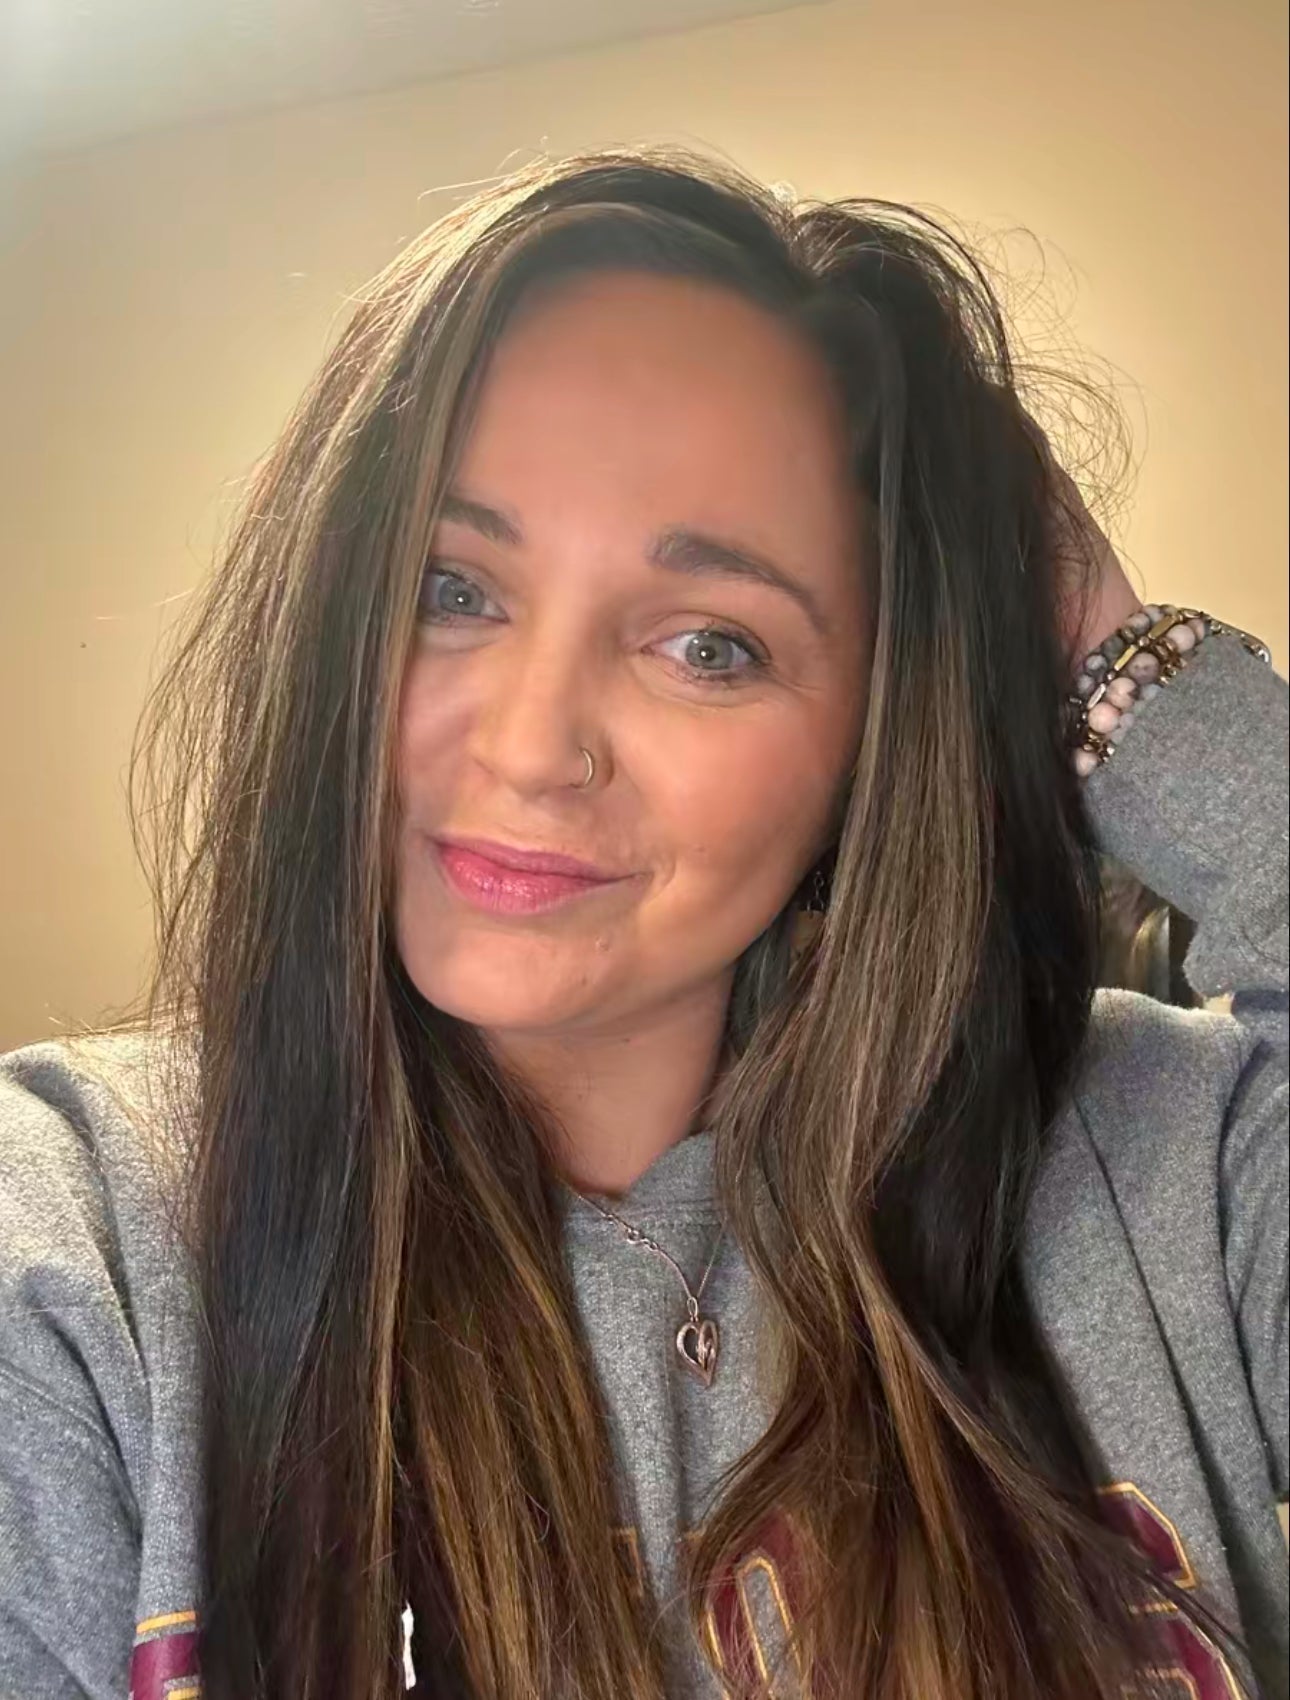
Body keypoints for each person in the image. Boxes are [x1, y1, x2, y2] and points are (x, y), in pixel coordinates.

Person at [0, 145, 1285, 1700]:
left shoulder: (1161, 1166)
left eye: (708, 644)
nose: (532, 745)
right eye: (451, 588)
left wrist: (1119, 666)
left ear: (873, 736)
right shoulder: (76, 1257)